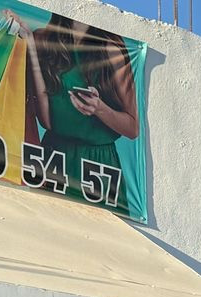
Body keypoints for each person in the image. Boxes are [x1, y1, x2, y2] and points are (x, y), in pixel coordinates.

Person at [8, 13, 140, 212]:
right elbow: (47, 122)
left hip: (99, 164)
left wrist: (99, 108)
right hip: (54, 155)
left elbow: (133, 128)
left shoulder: (110, 49)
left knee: (102, 230)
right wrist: (32, 49)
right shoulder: (43, 39)